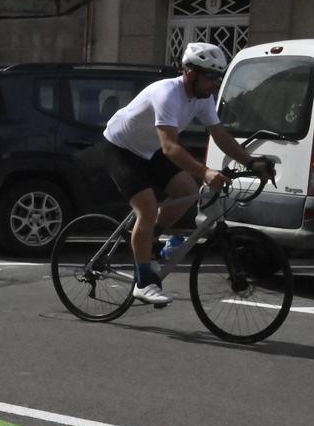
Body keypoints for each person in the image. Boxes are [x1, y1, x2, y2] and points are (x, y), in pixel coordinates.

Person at [100, 42, 256, 305]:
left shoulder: (203, 98)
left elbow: (219, 135)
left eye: (218, 77)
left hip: (149, 149)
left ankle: (145, 240)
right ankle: (143, 281)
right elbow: (171, 147)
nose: (214, 84)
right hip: (121, 148)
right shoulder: (167, 94)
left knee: (187, 192)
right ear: (190, 73)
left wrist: (252, 162)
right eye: (210, 77)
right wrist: (205, 171)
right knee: (147, 209)